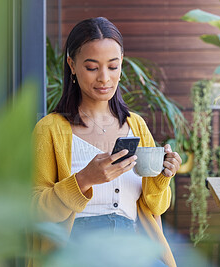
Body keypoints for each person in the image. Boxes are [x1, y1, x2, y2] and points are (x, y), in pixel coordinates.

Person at [32, 17, 181, 267]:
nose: (104, 78)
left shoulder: (136, 125)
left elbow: (157, 206)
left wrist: (162, 176)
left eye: (113, 67)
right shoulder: (51, 129)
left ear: (121, 64)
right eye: (92, 67)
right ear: (72, 64)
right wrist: (83, 180)